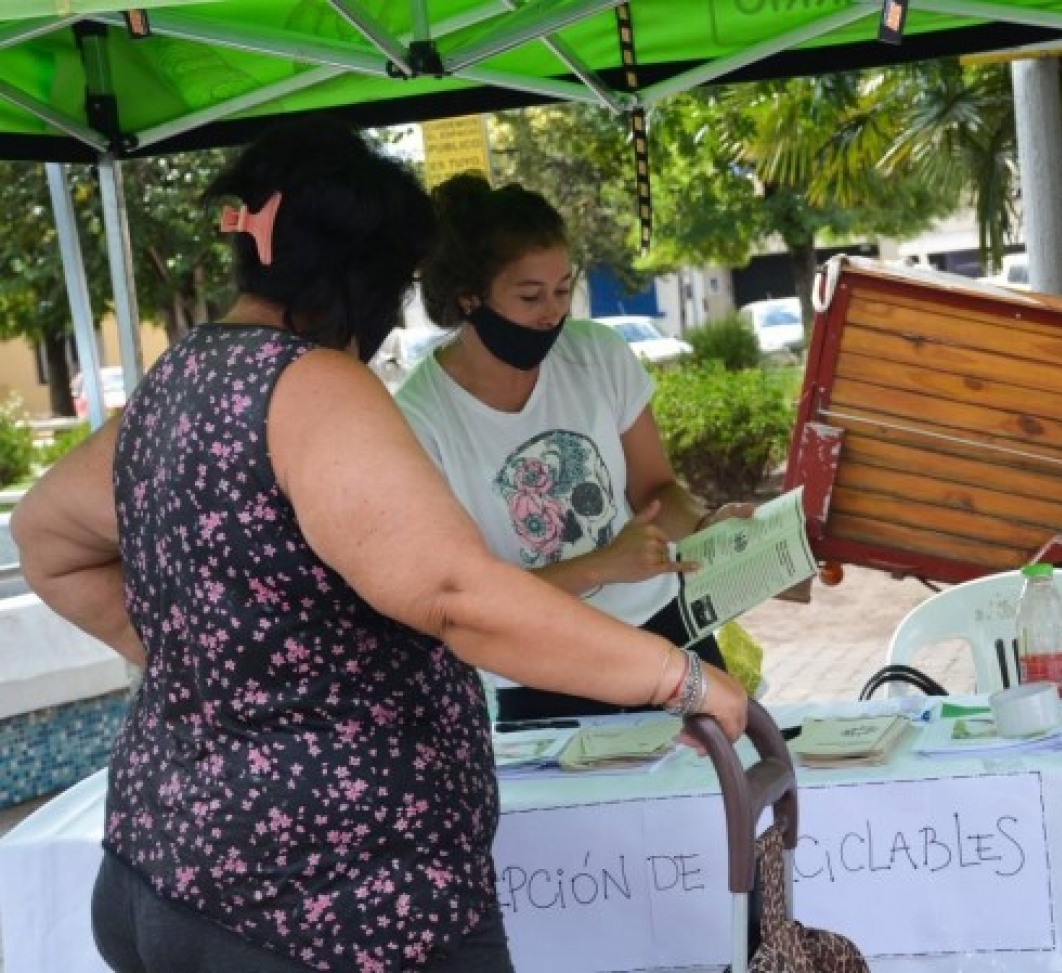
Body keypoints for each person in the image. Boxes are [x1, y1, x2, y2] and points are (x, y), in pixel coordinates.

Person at [12, 117, 747, 973]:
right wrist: (678, 676)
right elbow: (456, 595)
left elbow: (48, 536)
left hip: (164, 870)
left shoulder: (178, 380)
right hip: (332, 897)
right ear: (356, 278)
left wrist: (216, 669)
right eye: (396, 286)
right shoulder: (312, 381)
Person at [396, 173, 756, 722]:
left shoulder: (598, 355)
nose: (553, 313)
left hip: (664, 633)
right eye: (530, 296)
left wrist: (710, 525)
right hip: (536, 666)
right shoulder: (421, 417)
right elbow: (466, 599)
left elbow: (658, 492)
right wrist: (601, 566)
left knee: (712, 796)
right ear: (469, 298)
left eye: (563, 289)